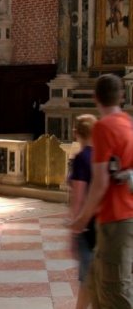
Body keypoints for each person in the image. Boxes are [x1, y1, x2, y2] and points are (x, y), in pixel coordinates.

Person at [71, 74, 133, 307]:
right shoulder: (128, 122)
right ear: (122, 96)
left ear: (95, 97)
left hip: (116, 219)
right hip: (120, 217)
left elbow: (99, 183)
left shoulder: (104, 127)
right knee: (97, 291)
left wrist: (81, 219)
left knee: (116, 292)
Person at [70, 114, 98, 309]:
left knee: (87, 279)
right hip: (104, 222)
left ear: (75, 133)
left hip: (87, 225)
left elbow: (78, 197)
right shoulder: (103, 155)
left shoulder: (81, 158)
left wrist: (74, 231)